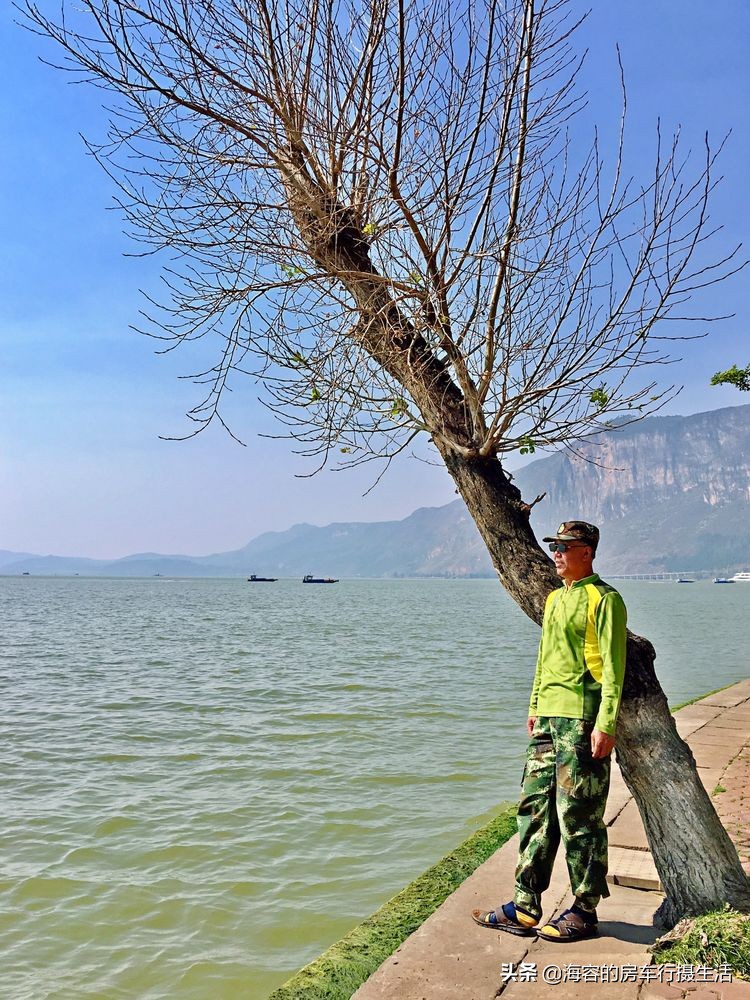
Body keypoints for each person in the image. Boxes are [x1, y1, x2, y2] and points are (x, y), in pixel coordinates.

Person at [472, 520, 627, 942]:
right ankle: (524, 906)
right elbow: (544, 658)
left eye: (565, 547)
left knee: (579, 816)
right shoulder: (555, 600)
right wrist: (534, 707)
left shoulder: (604, 599)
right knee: (535, 811)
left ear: (587, 552)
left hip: (581, 720)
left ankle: (584, 910)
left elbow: (615, 669)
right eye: (554, 546)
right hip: (547, 721)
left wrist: (605, 723)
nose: (557, 553)